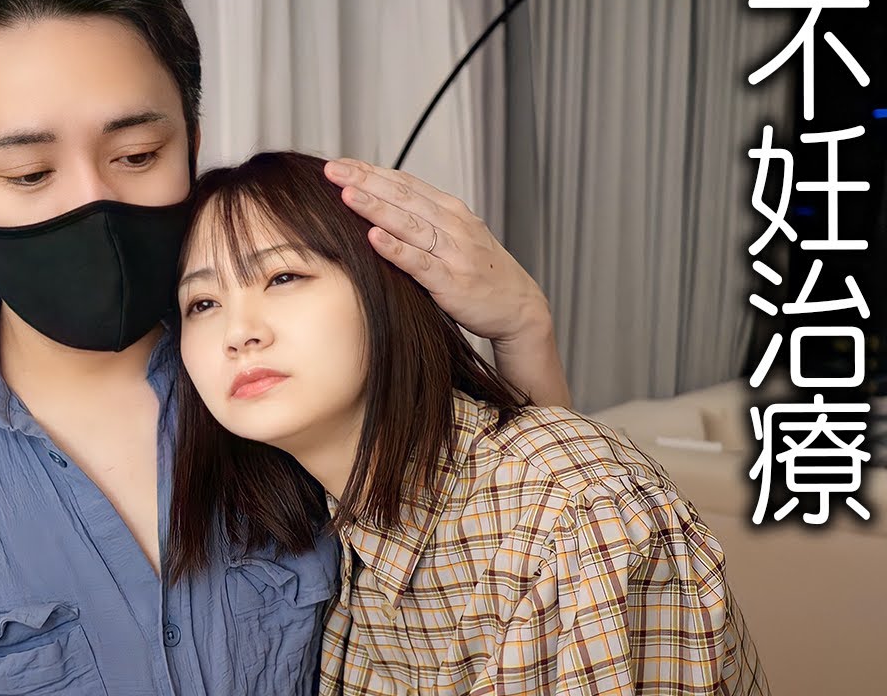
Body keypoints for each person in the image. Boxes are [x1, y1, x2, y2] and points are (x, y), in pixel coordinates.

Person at [0, 0, 572, 695]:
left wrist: (522, 326)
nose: (93, 202)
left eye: (137, 155)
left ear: (191, 146)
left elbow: (514, 556)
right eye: (29, 174)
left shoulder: (291, 377)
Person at [170, 151, 768, 696]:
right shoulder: (328, 539)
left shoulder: (576, 516)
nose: (238, 332)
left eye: (282, 277)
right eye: (203, 303)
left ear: (385, 284)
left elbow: (554, 493)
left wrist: (525, 324)